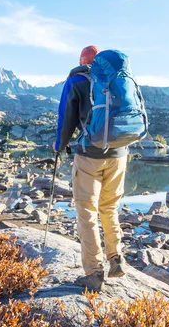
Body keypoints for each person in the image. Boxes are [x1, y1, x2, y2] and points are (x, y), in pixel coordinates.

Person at [53, 45, 128, 291]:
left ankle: (94, 272)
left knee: (86, 212)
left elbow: (66, 117)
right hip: (119, 153)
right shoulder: (118, 77)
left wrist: (59, 145)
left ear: (81, 61)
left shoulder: (77, 80)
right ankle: (116, 257)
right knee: (110, 207)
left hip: (89, 155)